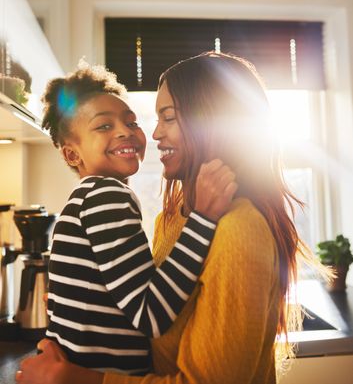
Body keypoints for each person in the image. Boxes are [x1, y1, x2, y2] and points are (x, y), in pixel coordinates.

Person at [17, 52, 314, 384]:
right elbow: (151, 312)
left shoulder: (238, 229)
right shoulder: (171, 220)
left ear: (210, 121)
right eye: (156, 118)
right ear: (72, 154)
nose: (153, 133)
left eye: (167, 118)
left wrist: (78, 378)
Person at [20, 63, 236, 375]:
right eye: (103, 126)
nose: (125, 131)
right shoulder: (106, 195)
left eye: (131, 122)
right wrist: (203, 218)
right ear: (72, 154)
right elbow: (152, 314)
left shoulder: (82, 199)